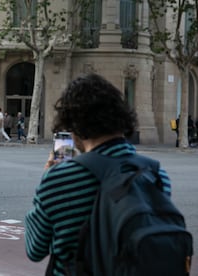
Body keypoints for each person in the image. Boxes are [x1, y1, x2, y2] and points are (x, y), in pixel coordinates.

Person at [24, 73, 171, 275]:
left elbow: (34, 249)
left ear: (74, 125)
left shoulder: (60, 178)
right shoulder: (156, 174)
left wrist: (46, 182)